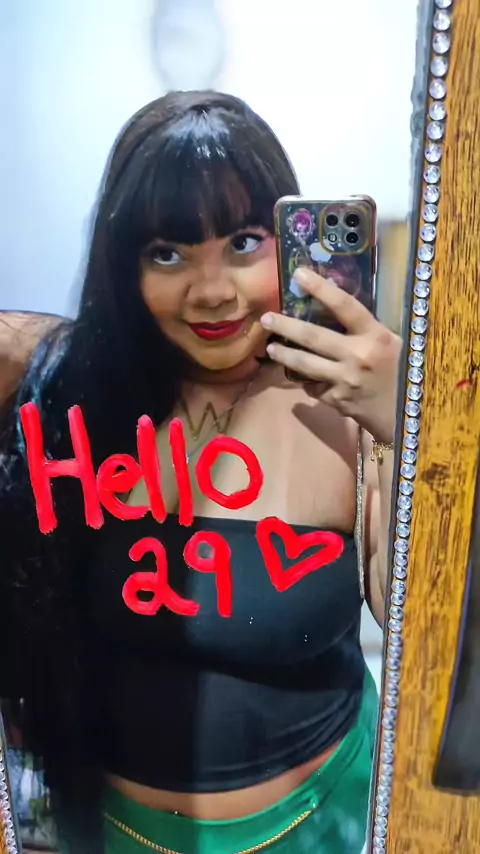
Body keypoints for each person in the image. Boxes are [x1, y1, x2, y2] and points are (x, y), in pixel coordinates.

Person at [0, 90, 400, 853]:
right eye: (168, 253)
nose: (213, 291)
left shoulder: (349, 410)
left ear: (288, 240)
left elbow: (424, 629)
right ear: (125, 264)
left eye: (244, 243)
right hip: (109, 832)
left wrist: (404, 422)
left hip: (326, 825)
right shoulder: (72, 392)